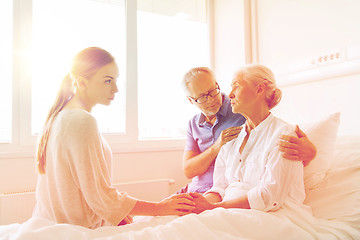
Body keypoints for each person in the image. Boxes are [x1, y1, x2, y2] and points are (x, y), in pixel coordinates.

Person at [33, 47, 195, 229]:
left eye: (115, 81)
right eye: (107, 81)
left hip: (50, 226)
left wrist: (120, 213)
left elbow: (90, 194)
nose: (116, 89)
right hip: (78, 230)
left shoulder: (58, 117)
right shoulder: (81, 121)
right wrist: (160, 207)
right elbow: (101, 197)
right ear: (82, 82)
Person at [190, 64, 308, 213]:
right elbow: (219, 188)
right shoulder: (230, 138)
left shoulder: (284, 134)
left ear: (259, 89)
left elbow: (269, 197)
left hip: (270, 215)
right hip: (227, 211)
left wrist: (214, 208)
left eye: (236, 86)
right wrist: (200, 205)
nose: (230, 94)